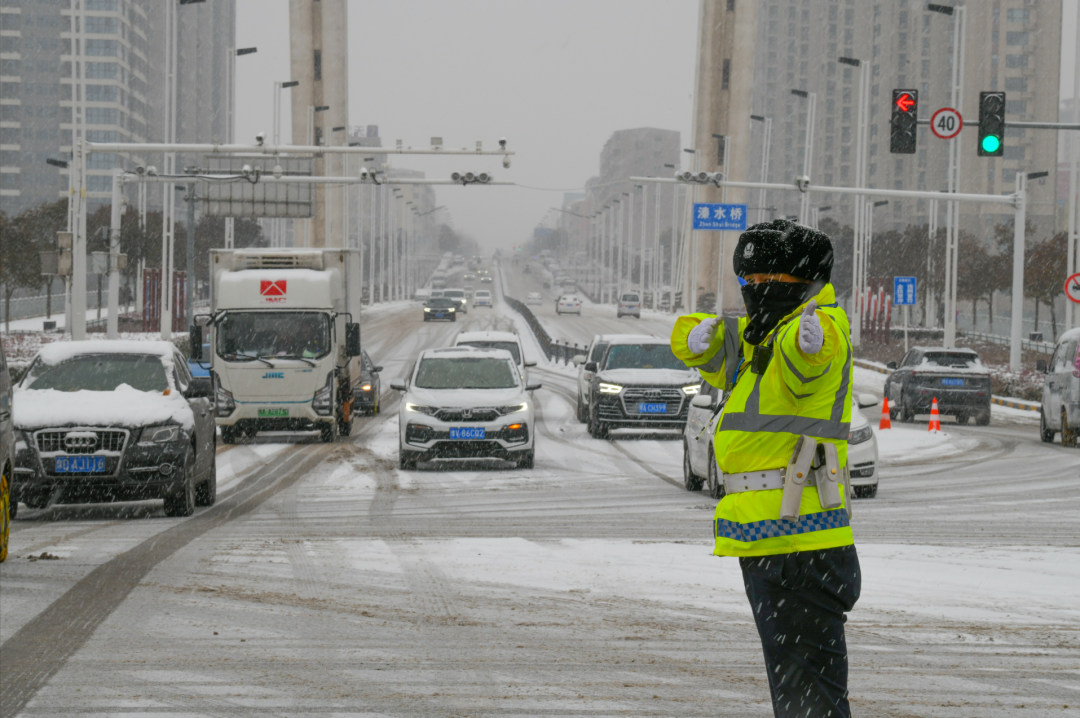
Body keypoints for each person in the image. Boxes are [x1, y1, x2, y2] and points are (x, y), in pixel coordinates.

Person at [670, 219, 860, 718]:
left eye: (765, 282)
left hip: (798, 537)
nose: (754, 292)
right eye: (747, 283)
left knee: (807, 690)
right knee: (797, 683)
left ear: (801, 282)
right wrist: (698, 339)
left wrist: (808, 343)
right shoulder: (767, 330)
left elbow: (809, 361)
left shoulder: (817, 329)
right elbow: (722, 352)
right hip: (773, 536)